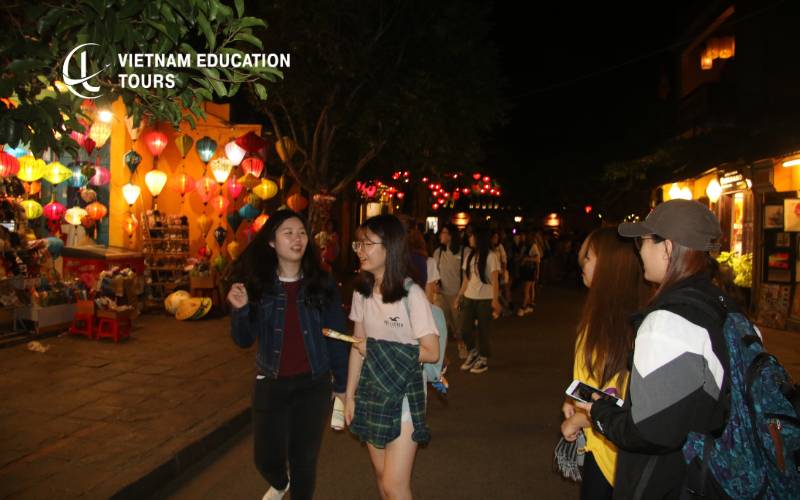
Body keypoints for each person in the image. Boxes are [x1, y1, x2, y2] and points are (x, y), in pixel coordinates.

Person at [575, 200, 729, 500]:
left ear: (666, 248)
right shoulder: (719, 304)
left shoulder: (667, 323)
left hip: (674, 481)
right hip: (714, 469)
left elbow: (651, 431)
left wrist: (599, 412)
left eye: (643, 241)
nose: (639, 252)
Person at [225, 210, 349, 500]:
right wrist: (240, 311)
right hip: (270, 383)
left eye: (302, 232)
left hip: (314, 384)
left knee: (304, 459)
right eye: (288, 232)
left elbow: (336, 335)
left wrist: (342, 385)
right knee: (266, 459)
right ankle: (281, 484)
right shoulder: (258, 284)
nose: (297, 238)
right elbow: (243, 340)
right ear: (272, 241)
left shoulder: (323, 282)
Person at [345, 214, 440, 500]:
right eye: (358, 244)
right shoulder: (362, 292)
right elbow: (357, 346)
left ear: (391, 247)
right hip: (371, 389)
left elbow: (432, 352)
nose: (360, 250)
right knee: (380, 473)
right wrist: (349, 395)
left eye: (367, 244)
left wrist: (377, 349)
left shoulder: (412, 294)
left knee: (393, 485)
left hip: (405, 394)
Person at [560, 227, 652, 500]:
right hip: (602, 447)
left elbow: (618, 400)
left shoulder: (622, 329)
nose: (582, 264)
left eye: (588, 257)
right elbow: (594, 381)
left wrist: (578, 419)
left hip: (615, 460)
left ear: (611, 266)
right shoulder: (601, 316)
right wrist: (574, 398)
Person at [455, 226, 502, 374]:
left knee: (484, 331)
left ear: (479, 238)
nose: (469, 238)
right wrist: (459, 296)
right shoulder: (470, 255)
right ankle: (473, 352)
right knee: (463, 328)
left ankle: (483, 359)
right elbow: (467, 278)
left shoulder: (491, 256)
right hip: (469, 297)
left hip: (485, 299)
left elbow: (495, 280)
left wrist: (495, 300)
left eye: (472, 236)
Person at [434, 223, 467, 357]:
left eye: (443, 233)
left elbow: (468, 275)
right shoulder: (438, 252)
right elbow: (434, 272)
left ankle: (461, 343)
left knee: (458, 327)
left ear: (451, 236)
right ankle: (442, 355)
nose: (440, 235)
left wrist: (462, 294)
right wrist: (435, 283)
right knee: (441, 326)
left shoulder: (464, 252)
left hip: (457, 295)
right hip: (441, 295)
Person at [516, 229, 540, 316]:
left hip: (530, 270)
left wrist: (528, 259)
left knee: (526, 289)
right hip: (523, 269)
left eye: (522, 235)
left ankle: (523, 307)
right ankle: (529, 305)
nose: (521, 237)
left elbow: (537, 259)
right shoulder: (522, 245)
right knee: (524, 289)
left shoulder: (533, 246)